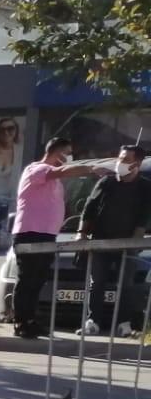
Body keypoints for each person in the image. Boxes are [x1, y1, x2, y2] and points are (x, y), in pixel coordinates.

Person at [11, 134, 111, 339]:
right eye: (66, 153)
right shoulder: (37, 169)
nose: (69, 157)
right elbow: (62, 171)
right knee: (27, 280)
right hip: (30, 233)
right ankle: (20, 322)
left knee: (38, 280)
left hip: (47, 235)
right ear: (55, 153)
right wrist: (91, 168)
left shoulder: (54, 180)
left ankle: (31, 320)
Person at [76, 144, 151, 335]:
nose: (120, 163)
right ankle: (92, 321)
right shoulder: (106, 183)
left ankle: (124, 324)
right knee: (97, 282)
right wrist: (81, 233)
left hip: (128, 244)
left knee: (126, 284)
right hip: (101, 241)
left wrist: (135, 242)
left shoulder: (145, 187)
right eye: (120, 158)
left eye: (126, 160)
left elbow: (145, 215)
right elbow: (89, 208)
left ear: (137, 163)